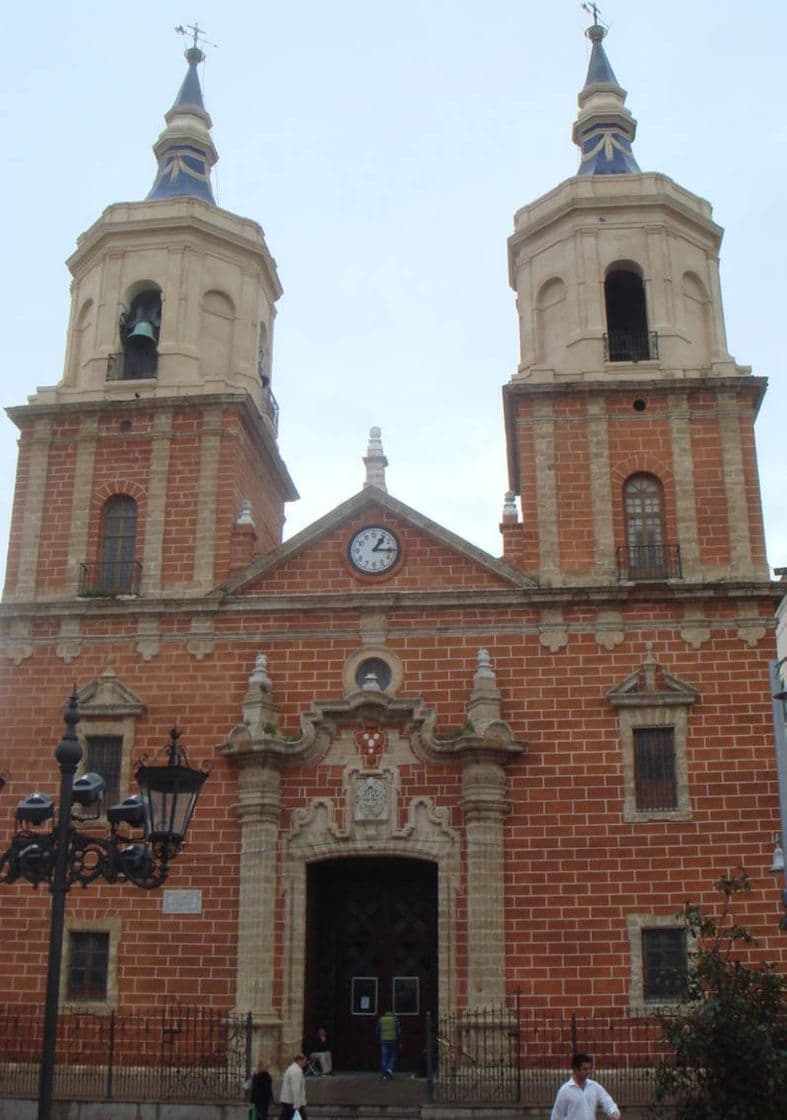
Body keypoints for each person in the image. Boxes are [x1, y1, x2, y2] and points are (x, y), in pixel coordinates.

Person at [550, 1052, 621, 1120]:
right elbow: (557, 1115)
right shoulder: (564, 1091)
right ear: (576, 1069)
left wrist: (613, 1112)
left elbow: (607, 1100)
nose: (588, 1072)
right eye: (585, 1069)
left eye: (589, 1069)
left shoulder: (594, 1086)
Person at [279, 1053, 308, 1120]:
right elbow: (295, 1088)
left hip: (288, 1100)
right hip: (292, 1102)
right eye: (304, 1061)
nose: (305, 1063)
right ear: (299, 1061)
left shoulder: (291, 1068)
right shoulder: (296, 1071)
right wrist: (297, 1104)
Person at [376, 1009, 401, 1079]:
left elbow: (377, 1030)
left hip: (383, 1040)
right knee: (393, 1055)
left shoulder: (381, 1019)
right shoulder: (395, 1019)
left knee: (384, 1056)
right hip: (393, 1040)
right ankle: (389, 1070)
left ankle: (384, 1073)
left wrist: (378, 1037)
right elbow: (398, 1031)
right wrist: (400, 1040)